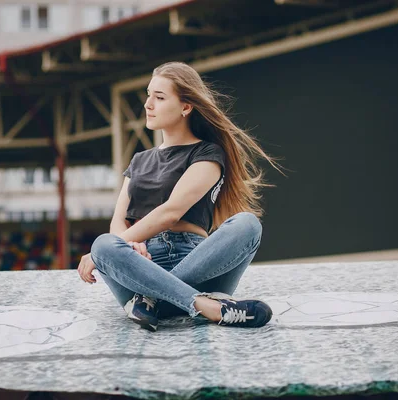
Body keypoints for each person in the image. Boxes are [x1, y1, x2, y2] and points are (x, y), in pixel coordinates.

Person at [77, 61, 282, 332]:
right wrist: (128, 246)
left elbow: (171, 212)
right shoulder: (139, 161)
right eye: (148, 95)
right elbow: (118, 222)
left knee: (247, 224)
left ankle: (153, 297)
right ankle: (206, 307)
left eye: (159, 97)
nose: (148, 104)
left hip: (196, 265)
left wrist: (127, 242)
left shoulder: (207, 154)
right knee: (103, 244)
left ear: (186, 107)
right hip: (143, 264)